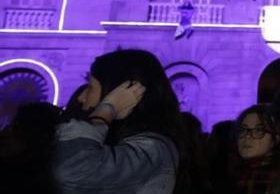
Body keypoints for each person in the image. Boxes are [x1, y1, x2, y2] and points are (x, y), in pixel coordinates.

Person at [52, 49, 187, 194]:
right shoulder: (127, 141)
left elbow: (71, 170)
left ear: (119, 93)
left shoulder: (151, 149)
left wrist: (106, 110)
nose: (82, 97)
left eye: (90, 87)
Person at [233, 105, 280, 194]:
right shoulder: (238, 174)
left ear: (275, 140)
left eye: (259, 130)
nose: (247, 136)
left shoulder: (276, 178)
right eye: (243, 130)